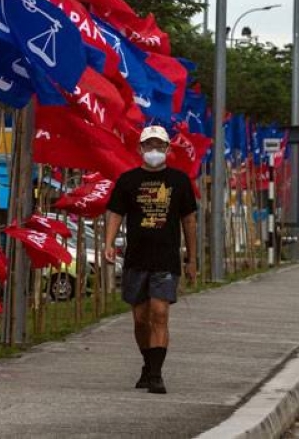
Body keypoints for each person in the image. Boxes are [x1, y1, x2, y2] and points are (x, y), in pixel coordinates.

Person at [104, 125, 197, 395]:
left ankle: (156, 374)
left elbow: (188, 220)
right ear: (140, 149)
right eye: (149, 146)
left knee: (160, 313)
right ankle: (148, 364)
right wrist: (108, 244)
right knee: (141, 319)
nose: (154, 151)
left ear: (168, 150)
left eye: (159, 146)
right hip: (136, 260)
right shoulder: (128, 181)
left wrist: (192, 259)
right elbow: (115, 213)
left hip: (166, 261)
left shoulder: (179, 182)